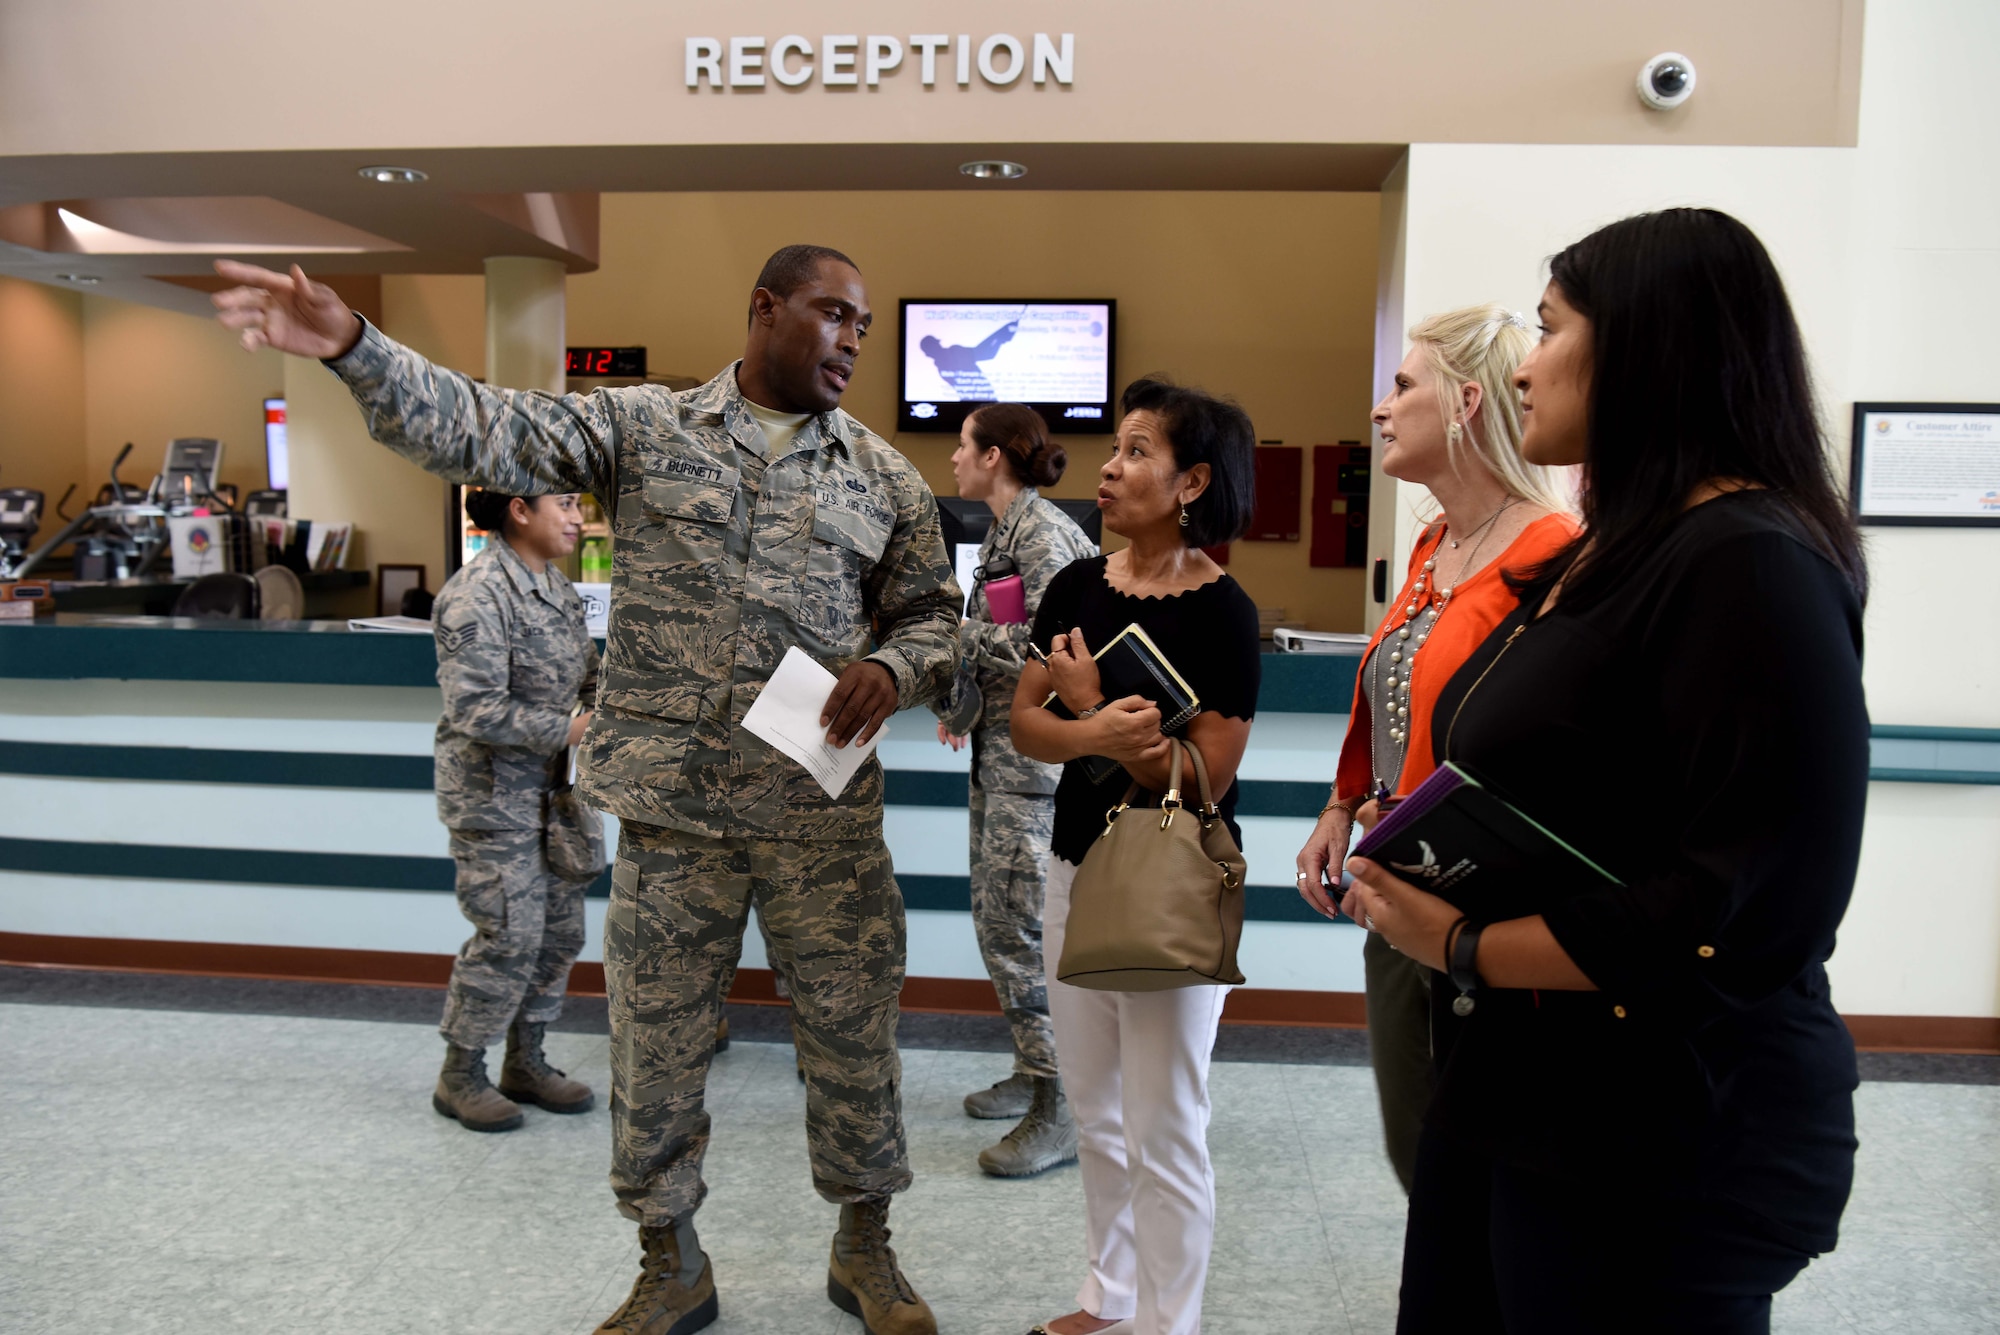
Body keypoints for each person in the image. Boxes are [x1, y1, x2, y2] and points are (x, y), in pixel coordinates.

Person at [212, 245, 960, 1335]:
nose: (853, 337)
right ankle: (669, 1262)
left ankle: (866, 1250)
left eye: (865, 323)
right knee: (653, 1048)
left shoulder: (882, 477)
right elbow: (483, 426)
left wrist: (896, 667)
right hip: (672, 817)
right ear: (763, 309)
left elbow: (938, 618)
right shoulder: (643, 430)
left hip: (819, 825)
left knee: (854, 1045)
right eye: (832, 313)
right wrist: (350, 348)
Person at [1341, 209, 1870, 1334]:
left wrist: (1457, 941)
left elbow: (1745, 907)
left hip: (1666, 1127)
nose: (1523, 367)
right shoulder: (1616, 550)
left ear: (1645, 347)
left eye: (1546, 329)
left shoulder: (1751, 563)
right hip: (1523, 1082)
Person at [1292, 304, 1578, 1191]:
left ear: (1462, 402)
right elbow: (1390, 696)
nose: (1381, 407)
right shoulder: (1431, 543)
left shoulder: (1552, 551)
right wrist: (1342, 803)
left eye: (1402, 384)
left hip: (1484, 914)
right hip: (1396, 894)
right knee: (1418, 1149)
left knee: (1470, 1162)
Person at [1011, 378, 1261, 1335]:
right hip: (1075, 871)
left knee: (1167, 1127)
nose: (1110, 468)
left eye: (1137, 450)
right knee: (1096, 1112)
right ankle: (1107, 1297)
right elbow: (1025, 721)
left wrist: (1098, 722)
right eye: (1115, 448)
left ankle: (1170, 1321)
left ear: (1192, 480)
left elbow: (1207, 777)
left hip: (1171, 882)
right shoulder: (1077, 584)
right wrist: (1088, 727)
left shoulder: (1225, 612)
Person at [931, 402, 1098, 1177]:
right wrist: (961, 698)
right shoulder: (1005, 532)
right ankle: (1033, 1070)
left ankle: (1059, 1107)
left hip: (1037, 778)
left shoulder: (1044, 536)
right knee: (1001, 924)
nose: (954, 458)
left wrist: (952, 636)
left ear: (993, 454)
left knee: (1024, 933)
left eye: (963, 446)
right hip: (1000, 764)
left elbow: (1052, 646)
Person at [428, 486, 601, 1133]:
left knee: (560, 932)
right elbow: (474, 709)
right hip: (493, 797)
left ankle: (525, 1061)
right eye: (565, 502)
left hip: (554, 794)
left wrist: (608, 698)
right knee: (510, 933)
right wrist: (576, 728)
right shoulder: (477, 594)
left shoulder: (555, 588)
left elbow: (585, 672)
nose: (578, 515)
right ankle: (462, 1072)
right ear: (519, 510)